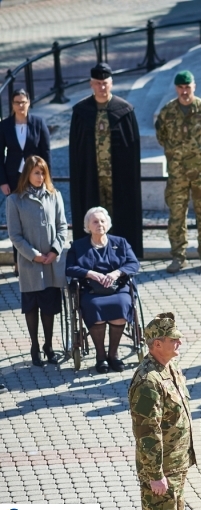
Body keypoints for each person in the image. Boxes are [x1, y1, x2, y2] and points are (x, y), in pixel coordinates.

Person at [156, 70, 201, 274]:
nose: (184, 91)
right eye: (181, 87)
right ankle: (178, 257)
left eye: (188, 87)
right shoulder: (167, 111)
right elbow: (161, 136)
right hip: (177, 173)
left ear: (194, 87)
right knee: (176, 215)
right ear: (176, 88)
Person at [128, 313, 195, 510]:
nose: (180, 342)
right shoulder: (148, 381)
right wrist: (156, 476)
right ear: (157, 344)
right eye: (174, 339)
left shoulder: (170, 367)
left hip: (176, 466)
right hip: (162, 471)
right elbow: (147, 431)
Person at [69, 62, 143, 257]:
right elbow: (76, 150)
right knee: (92, 213)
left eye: (105, 83)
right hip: (91, 175)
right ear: (91, 84)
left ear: (111, 83)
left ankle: (121, 254)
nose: (102, 87)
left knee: (120, 213)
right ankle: (90, 255)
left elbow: (132, 148)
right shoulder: (81, 112)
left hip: (118, 177)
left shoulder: (124, 111)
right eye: (98, 83)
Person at [6, 156, 67, 367]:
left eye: (43, 173)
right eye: (36, 173)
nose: (40, 177)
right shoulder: (15, 200)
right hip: (30, 264)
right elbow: (15, 235)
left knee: (49, 307)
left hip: (50, 262)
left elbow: (62, 227)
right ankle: (34, 346)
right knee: (32, 307)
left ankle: (48, 346)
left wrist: (54, 251)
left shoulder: (55, 196)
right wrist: (34, 255)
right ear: (27, 174)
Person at [66, 207, 140, 373]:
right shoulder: (78, 246)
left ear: (108, 224)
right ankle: (101, 356)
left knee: (122, 304)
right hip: (91, 290)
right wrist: (90, 273)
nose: (99, 224)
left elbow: (134, 263)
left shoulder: (120, 243)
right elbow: (69, 268)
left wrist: (116, 273)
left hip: (118, 288)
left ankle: (113, 355)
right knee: (93, 306)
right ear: (88, 226)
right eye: (95, 221)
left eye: (102, 221)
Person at [0, 88, 51, 276]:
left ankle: (38, 258)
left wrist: (47, 179)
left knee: (35, 218)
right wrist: (2, 181)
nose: (20, 105)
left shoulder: (38, 123)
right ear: (12, 105)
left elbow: (46, 152)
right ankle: (18, 261)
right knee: (16, 221)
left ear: (29, 102)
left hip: (35, 176)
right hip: (13, 178)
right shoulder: (5, 125)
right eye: (17, 102)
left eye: (23, 102)